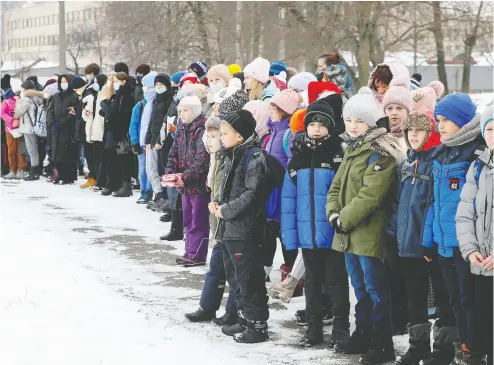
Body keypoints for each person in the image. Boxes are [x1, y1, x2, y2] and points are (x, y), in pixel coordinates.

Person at [326, 87, 405, 364]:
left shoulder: (380, 152)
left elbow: (371, 195)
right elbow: (335, 187)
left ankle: (382, 343)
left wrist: (343, 219)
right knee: (358, 286)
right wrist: (333, 214)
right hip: (347, 233)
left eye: (359, 121)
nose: (353, 126)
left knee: (375, 288)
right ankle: (363, 332)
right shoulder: (351, 149)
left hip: (368, 233)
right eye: (349, 121)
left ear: (371, 122)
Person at [281, 92, 349, 348]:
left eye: (321, 125)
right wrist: (290, 235)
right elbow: (288, 201)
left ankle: (341, 330)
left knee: (337, 282)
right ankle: (314, 329)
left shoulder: (338, 156)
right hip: (307, 235)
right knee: (312, 283)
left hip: (333, 233)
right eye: (312, 124)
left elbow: (343, 194)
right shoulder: (296, 159)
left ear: (330, 128)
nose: (316, 129)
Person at [422, 93, 486, 365]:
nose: (440, 125)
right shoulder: (442, 152)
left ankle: (475, 346)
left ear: (461, 120)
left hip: (467, 244)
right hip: (443, 242)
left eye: (446, 119)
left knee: (468, 298)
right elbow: (433, 203)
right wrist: (428, 240)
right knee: (453, 299)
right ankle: (462, 342)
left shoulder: (476, 152)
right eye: (438, 120)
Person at [390, 111, 455, 365]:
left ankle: (444, 347)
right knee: (414, 297)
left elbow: (435, 205)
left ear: (430, 133)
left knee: (442, 296)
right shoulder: (406, 163)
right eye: (409, 131)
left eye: (419, 130)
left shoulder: (436, 162)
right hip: (408, 243)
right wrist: (393, 233)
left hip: (431, 244)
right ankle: (418, 346)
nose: (413, 135)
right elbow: (398, 203)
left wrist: (430, 239)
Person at [212, 109, 271, 343]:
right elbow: (227, 187)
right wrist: (218, 201)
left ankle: (257, 326)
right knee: (236, 278)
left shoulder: (254, 157)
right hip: (230, 228)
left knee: (249, 279)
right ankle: (244, 319)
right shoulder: (231, 154)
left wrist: (225, 210)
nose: (221, 137)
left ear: (240, 135)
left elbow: (252, 193)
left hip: (245, 230)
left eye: (225, 133)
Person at [184, 115, 238, 326]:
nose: (213, 140)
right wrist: (214, 202)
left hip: (231, 220)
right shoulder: (220, 156)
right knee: (216, 266)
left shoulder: (235, 156)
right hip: (218, 219)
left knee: (233, 269)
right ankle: (207, 307)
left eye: (219, 135)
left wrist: (223, 206)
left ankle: (232, 311)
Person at [456, 102, 493, 365]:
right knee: (486, 328)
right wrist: (470, 250)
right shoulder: (478, 168)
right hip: (482, 266)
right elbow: (464, 214)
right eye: (489, 129)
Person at [166, 93, 210, 267]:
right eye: (180, 110)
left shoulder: (201, 128)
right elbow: (174, 151)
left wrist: (185, 177)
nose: (182, 114)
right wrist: (171, 172)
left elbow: (202, 159)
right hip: (183, 183)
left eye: (186, 110)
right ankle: (189, 250)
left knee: (198, 221)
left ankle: (198, 254)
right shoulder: (181, 127)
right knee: (188, 219)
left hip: (197, 184)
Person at [264, 89, 301, 286]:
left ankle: (292, 275)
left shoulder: (288, 134)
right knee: (269, 231)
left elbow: (291, 163)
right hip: (271, 193)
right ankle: (265, 268)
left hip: (283, 192)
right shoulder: (273, 132)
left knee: (285, 234)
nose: (270, 110)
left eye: (274, 107)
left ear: (285, 111)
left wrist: (278, 174)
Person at [99, 72, 135, 197]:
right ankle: (115, 184)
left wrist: (104, 105)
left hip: (121, 132)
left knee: (123, 159)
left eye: (116, 81)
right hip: (114, 131)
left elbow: (116, 113)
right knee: (113, 159)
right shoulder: (118, 95)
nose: (114, 84)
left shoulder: (126, 95)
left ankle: (125, 186)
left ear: (123, 81)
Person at [46, 75, 83, 184]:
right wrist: (52, 123)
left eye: (65, 81)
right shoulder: (56, 96)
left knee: (67, 154)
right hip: (56, 129)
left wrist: (60, 123)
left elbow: (73, 114)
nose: (63, 83)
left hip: (67, 130)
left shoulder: (74, 97)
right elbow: (50, 111)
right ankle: (57, 174)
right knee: (56, 153)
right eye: (61, 81)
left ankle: (68, 177)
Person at [145, 73, 174, 210]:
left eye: (161, 84)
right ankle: (160, 195)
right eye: (156, 85)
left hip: (164, 140)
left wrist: (159, 141)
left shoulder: (170, 99)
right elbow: (152, 122)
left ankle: (167, 198)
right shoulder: (156, 99)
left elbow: (167, 123)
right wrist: (148, 139)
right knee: (154, 168)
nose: (158, 87)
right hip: (154, 138)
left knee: (164, 168)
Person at [14, 79, 45, 181]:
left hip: (28, 128)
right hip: (37, 127)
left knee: (32, 150)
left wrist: (18, 100)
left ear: (25, 89)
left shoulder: (26, 100)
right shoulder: (37, 97)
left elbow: (17, 113)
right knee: (36, 149)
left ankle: (34, 173)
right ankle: (37, 171)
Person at [79, 63, 101, 189]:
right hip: (86, 122)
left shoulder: (94, 87)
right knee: (88, 152)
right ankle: (92, 176)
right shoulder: (88, 86)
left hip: (91, 122)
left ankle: (95, 177)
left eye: (88, 74)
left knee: (92, 153)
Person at [1, 88, 27, 179]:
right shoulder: (6, 101)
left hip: (22, 128)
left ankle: (21, 169)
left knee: (21, 150)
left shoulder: (23, 99)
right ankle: (13, 170)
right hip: (10, 129)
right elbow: (2, 113)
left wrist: (20, 121)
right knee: (11, 150)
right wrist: (12, 120)